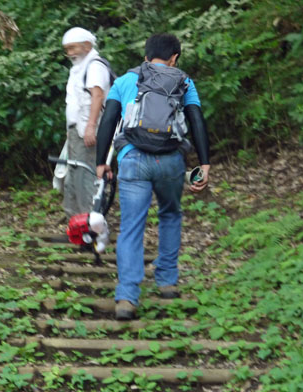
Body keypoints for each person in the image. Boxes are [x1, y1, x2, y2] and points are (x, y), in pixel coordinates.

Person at [95, 33, 210, 321]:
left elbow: (108, 120)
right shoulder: (183, 81)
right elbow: (196, 119)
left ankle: (126, 297)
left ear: (146, 56)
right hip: (171, 160)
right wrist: (204, 163)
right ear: (174, 58)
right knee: (170, 214)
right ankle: (167, 282)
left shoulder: (124, 81)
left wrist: (101, 163)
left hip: (133, 159)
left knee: (132, 225)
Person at [61, 27, 112, 219]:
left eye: (73, 48)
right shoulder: (79, 68)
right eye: (67, 49)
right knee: (72, 178)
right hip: (77, 131)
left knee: (85, 177)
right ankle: (76, 224)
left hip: (88, 130)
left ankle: (90, 225)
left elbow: (97, 96)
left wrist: (91, 126)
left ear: (87, 45)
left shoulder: (95, 66)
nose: (70, 53)